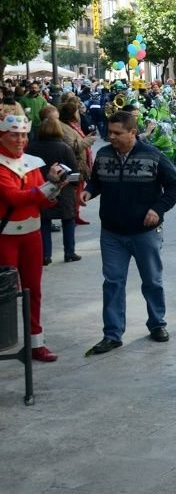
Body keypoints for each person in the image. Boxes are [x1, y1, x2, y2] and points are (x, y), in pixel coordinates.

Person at [82, 110, 176, 355]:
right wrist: (89, 191)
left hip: (145, 232)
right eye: (110, 132)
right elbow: (97, 180)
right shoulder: (104, 155)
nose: (111, 136)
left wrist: (158, 209)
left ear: (133, 133)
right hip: (112, 233)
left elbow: (174, 185)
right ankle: (112, 334)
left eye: (117, 133)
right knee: (113, 283)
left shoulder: (153, 156)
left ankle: (157, 324)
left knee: (152, 281)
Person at [0, 107, 65, 362]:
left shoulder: (31, 163)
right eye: (14, 135)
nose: (21, 140)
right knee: (5, 292)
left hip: (32, 235)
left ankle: (35, 342)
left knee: (33, 290)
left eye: (24, 135)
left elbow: (42, 201)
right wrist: (47, 187)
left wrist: (55, 187)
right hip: (6, 237)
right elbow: (13, 196)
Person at [26, 117, 79, 265]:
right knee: (68, 220)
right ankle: (69, 252)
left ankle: (45, 255)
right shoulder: (64, 147)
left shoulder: (32, 147)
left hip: (41, 188)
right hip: (64, 188)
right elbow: (74, 170)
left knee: (44, 222)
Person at [58, 96, 95, 225]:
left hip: (80, 163)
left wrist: (86, 137)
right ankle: (72, 216)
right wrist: (89, 140)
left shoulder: (71, 125)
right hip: (75, 164)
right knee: (75, 192)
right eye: (76, 111)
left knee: (78, 191)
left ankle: (76, 215)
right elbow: (73, 146)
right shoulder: (64, 127)